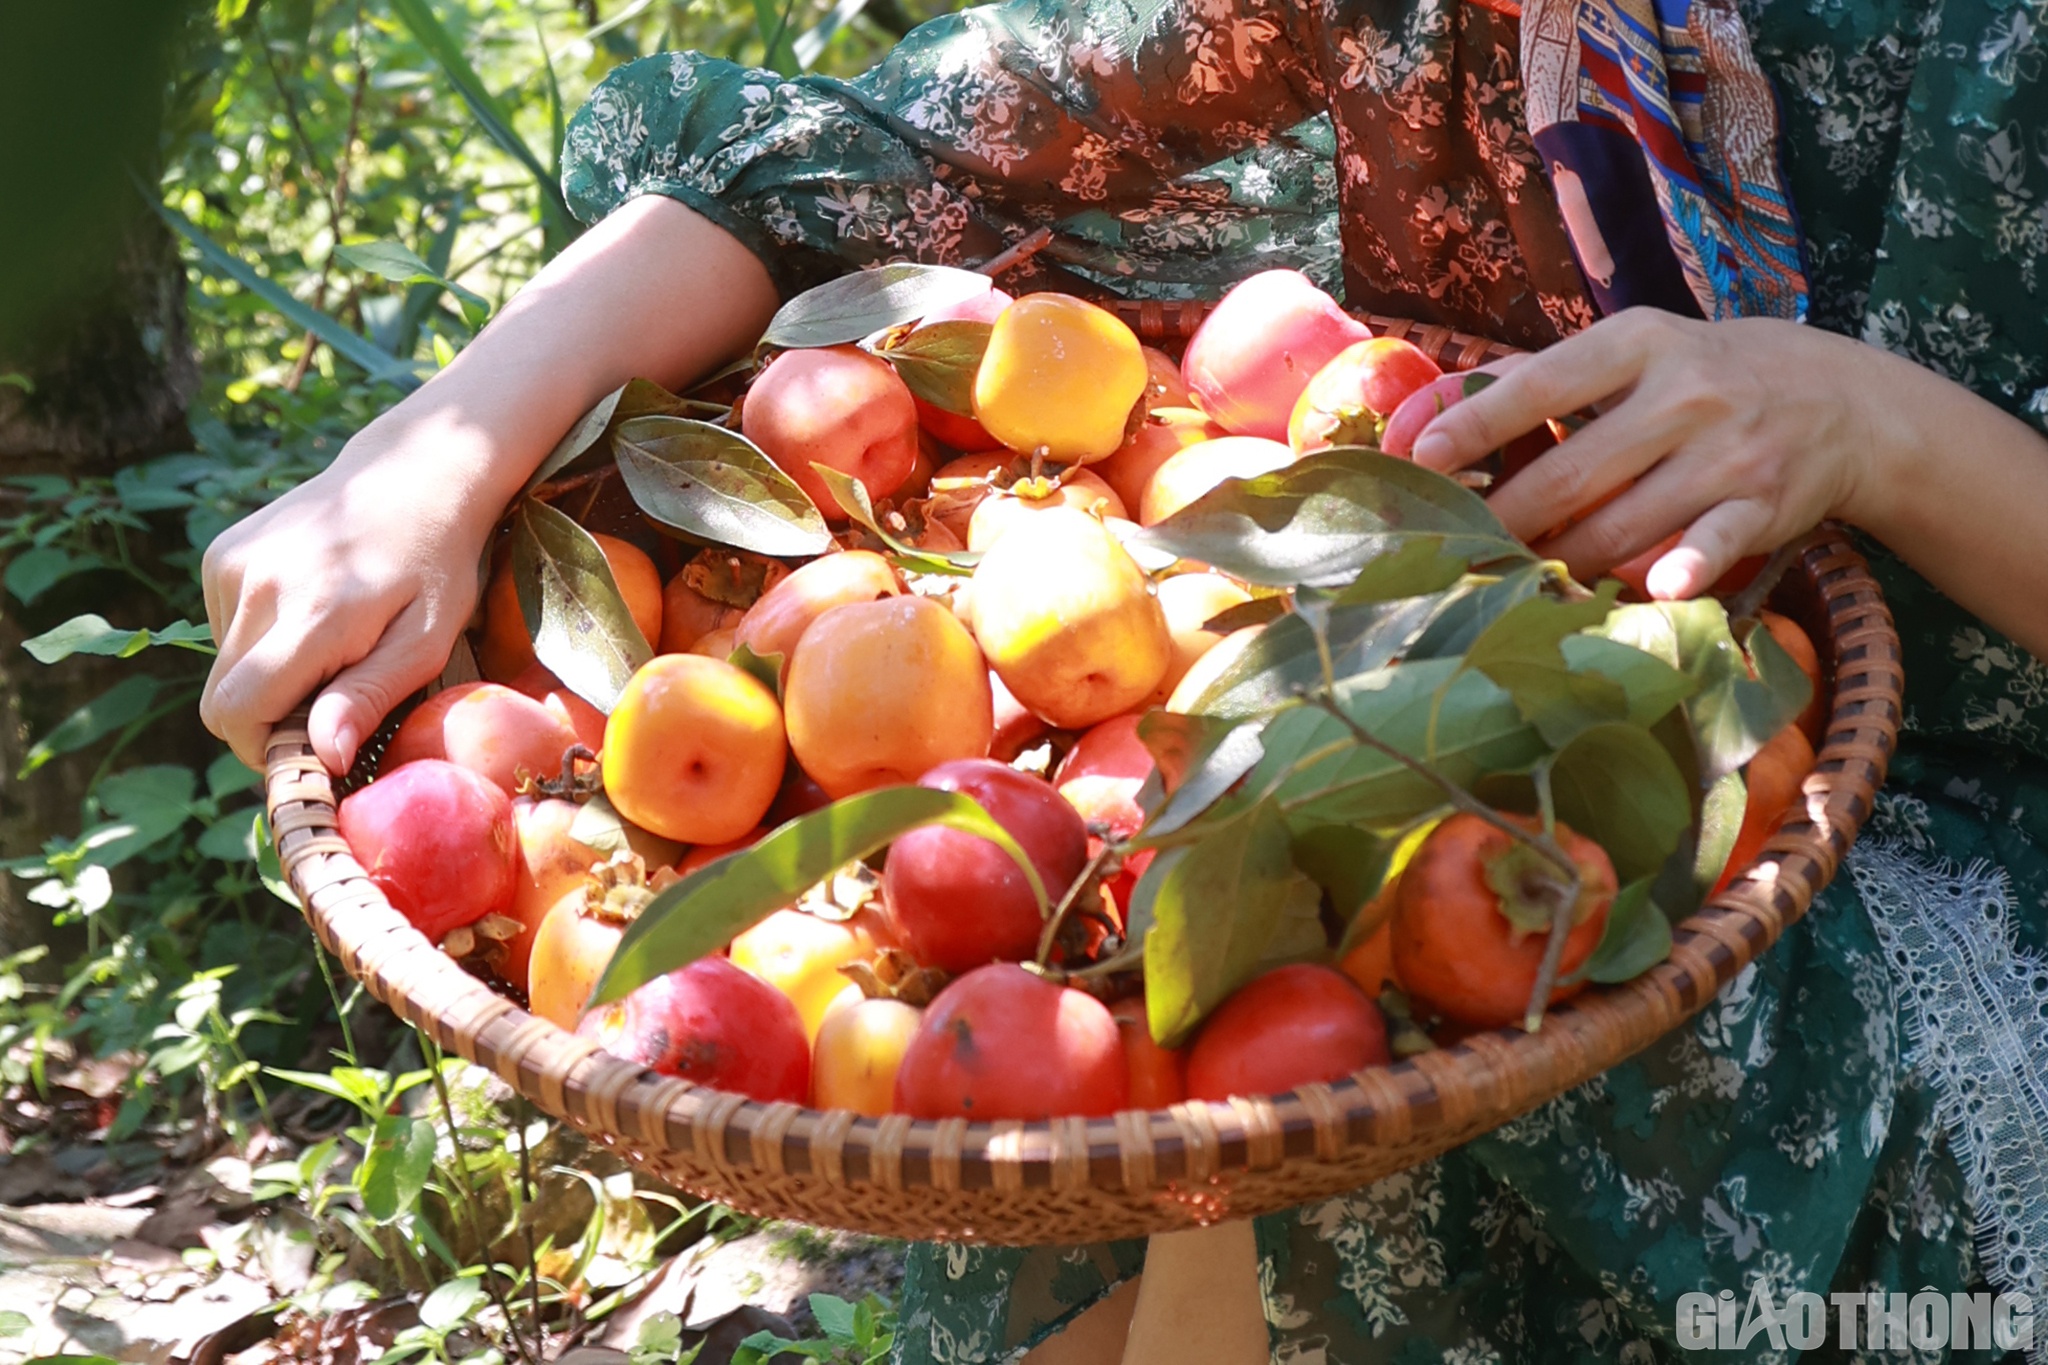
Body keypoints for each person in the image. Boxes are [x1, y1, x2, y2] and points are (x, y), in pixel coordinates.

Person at [202, 0, 2048, 1359]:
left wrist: (1878, 427)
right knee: (1160, 1033)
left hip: (1953, 833)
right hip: (1463, 702)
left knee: (1388, 1088)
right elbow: (861, 151)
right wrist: (428, 456)